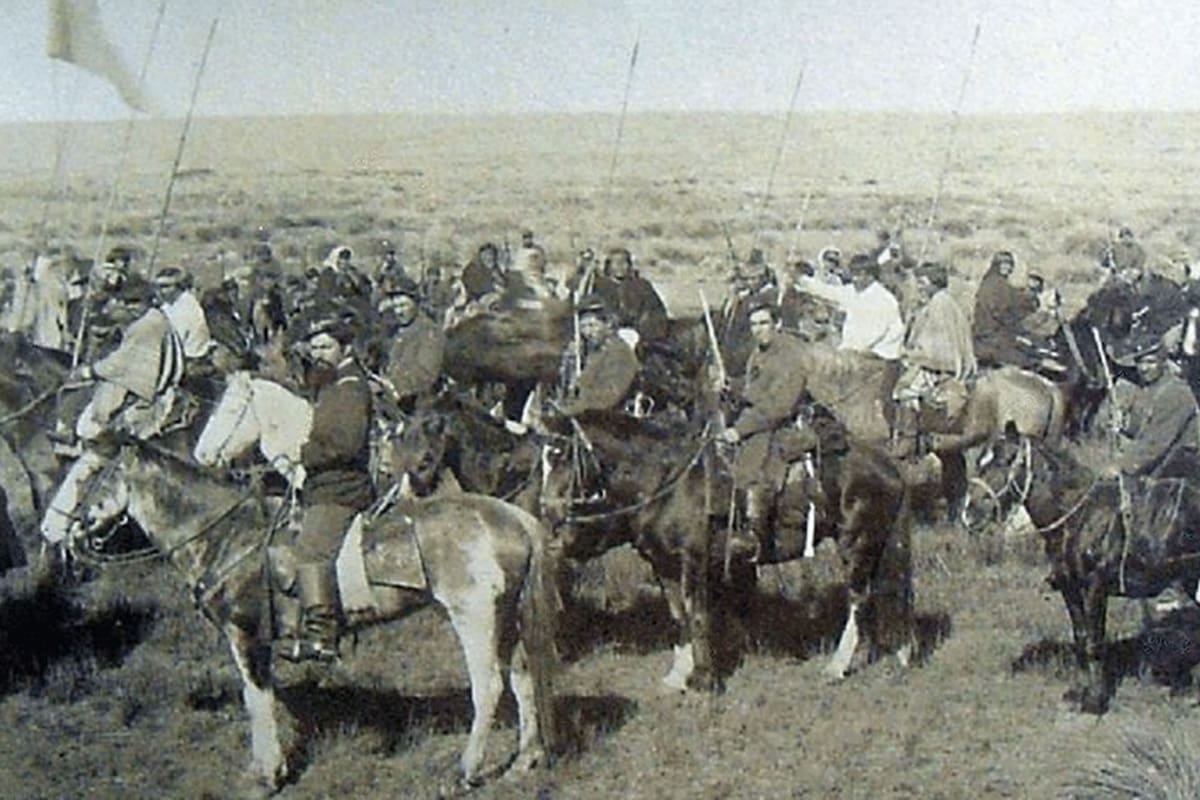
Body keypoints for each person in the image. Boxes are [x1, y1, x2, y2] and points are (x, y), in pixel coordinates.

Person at [281, 314, 374, 662]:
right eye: (314, 346)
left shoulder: (350, 387)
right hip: (327, 483)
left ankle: (323, 636)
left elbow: (347, 444)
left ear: (345, 348)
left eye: (326, 347)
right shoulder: (333, 382)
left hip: (343, 488)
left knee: (311, 550)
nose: (318, 353)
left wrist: (304, 454)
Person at [719, 303, 815, 559]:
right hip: (758, 420)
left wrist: (740, 430)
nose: (758, 330)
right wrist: (733, 386)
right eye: (753, 324)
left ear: (778, 324)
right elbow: (757, 387)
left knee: (755, 471)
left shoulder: (790, 355)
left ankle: (755, 538)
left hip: (779, 425)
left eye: (763, 323)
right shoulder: (759, 352)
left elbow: (779, 405)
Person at [892, 263, 976, 454]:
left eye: (923, 282)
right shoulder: (941, 302)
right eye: (918, 282)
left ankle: (909, 443)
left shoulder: (939, 305)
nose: (919, 286)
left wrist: (911, 355)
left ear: (933, 283)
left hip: (942, 369)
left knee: (904, 391)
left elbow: (939, 351)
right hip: (937, 362)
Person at [1108, 346, 1200, 479]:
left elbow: (1156, 442)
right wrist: (1125, 425)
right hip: (1163, 466)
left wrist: (1121, 465)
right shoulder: (1151, 389)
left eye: (1150, 362)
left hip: (1185, 474)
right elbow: (1144, 430)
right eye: (1140, 362)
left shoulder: (1176, 393)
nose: (1144, 368)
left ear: (1164, 362)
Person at [794, 254, 905, 360]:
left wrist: (846, 351)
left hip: (879, 357)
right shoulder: (852, 291)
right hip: (855, 354)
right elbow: (827, 291)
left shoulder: (883, 300)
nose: (854, 279)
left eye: (859, 275)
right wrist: (801, 279)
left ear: (871, 276)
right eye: (853, 274)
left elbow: (872, 335)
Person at [374, 273, 445, 415]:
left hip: (420, 408)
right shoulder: (397, 331)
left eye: (403, 305)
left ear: (416, 303)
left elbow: (426, 375)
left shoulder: (429, 332)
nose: (399, 311)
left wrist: (392, 386)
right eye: (395, 307)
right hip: (395, 403)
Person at [559, 293, 639, 417]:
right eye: (583, 327)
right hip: (587, 416)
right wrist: (570, 362)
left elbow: (608, 398)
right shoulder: (596, 352)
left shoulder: (619, 353)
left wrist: (571, 409)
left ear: (608, 324)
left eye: (592, 325)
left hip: (607, 422)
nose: (587, 332)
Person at [972, 250, 1039, 369]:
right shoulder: (997, 284)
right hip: (992, 337)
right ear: (997, 265)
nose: (1007, 268)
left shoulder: (994, 282)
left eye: (1009, 265)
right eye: (1004, 264)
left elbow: (1013, 297)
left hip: (989, 334)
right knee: (1030, 358)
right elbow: (1002, 310)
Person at [591, 247, 669, 344]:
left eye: (624, 262)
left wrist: (643, 326)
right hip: (607, 332)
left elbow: (656, 310)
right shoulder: (598, 286)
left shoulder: (642, 285)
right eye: (616, 263)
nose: (620, 266)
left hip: (640, 334)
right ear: (608, 265)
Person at [153, 267, 212, 364]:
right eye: (158, 287)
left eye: (165, 286)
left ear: (179, 287)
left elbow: (174, 341)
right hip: (175, 357)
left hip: (188, 360)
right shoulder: (169, 305)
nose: (160, 291)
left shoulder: (187, 307)